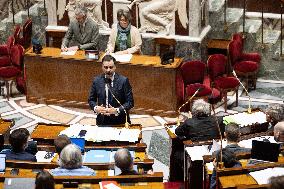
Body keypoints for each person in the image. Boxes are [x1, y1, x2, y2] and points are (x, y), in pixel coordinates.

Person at [88, 54, 134, 125]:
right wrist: (96, 108)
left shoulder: (123, 81)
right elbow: (91, 100)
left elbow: (130, 102)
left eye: (111, 67)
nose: (108, 70)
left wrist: (116, 110)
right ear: (102, 67)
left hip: (119, 120)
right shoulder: (97, 81)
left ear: (115, 67)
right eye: (106, 67)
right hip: (102, 120)